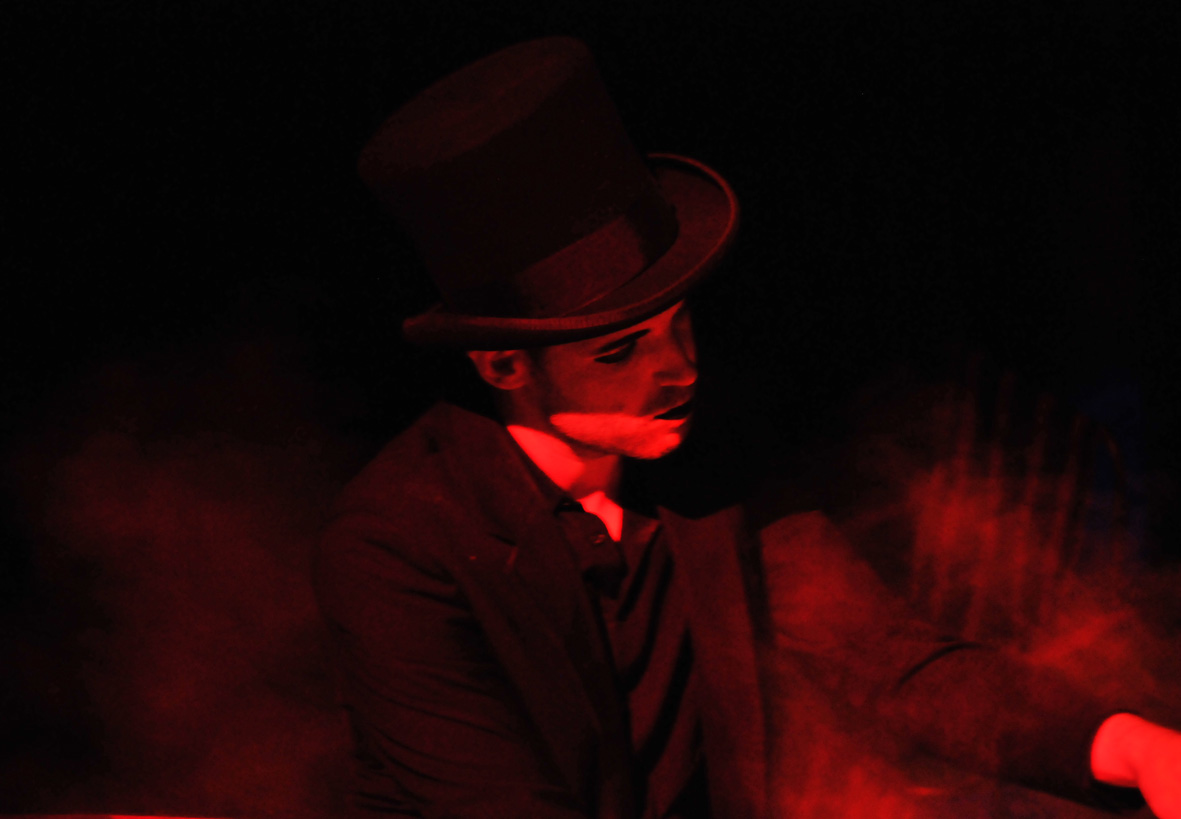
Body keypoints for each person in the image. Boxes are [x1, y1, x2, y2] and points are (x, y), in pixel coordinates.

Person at [313, 37, 1181, 819]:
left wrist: (1132, 745)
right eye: (620, 350)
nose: (679, 368)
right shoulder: (398, 543)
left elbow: (889, 662)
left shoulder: (706, 457)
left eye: (678, 322)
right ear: (504, 365)